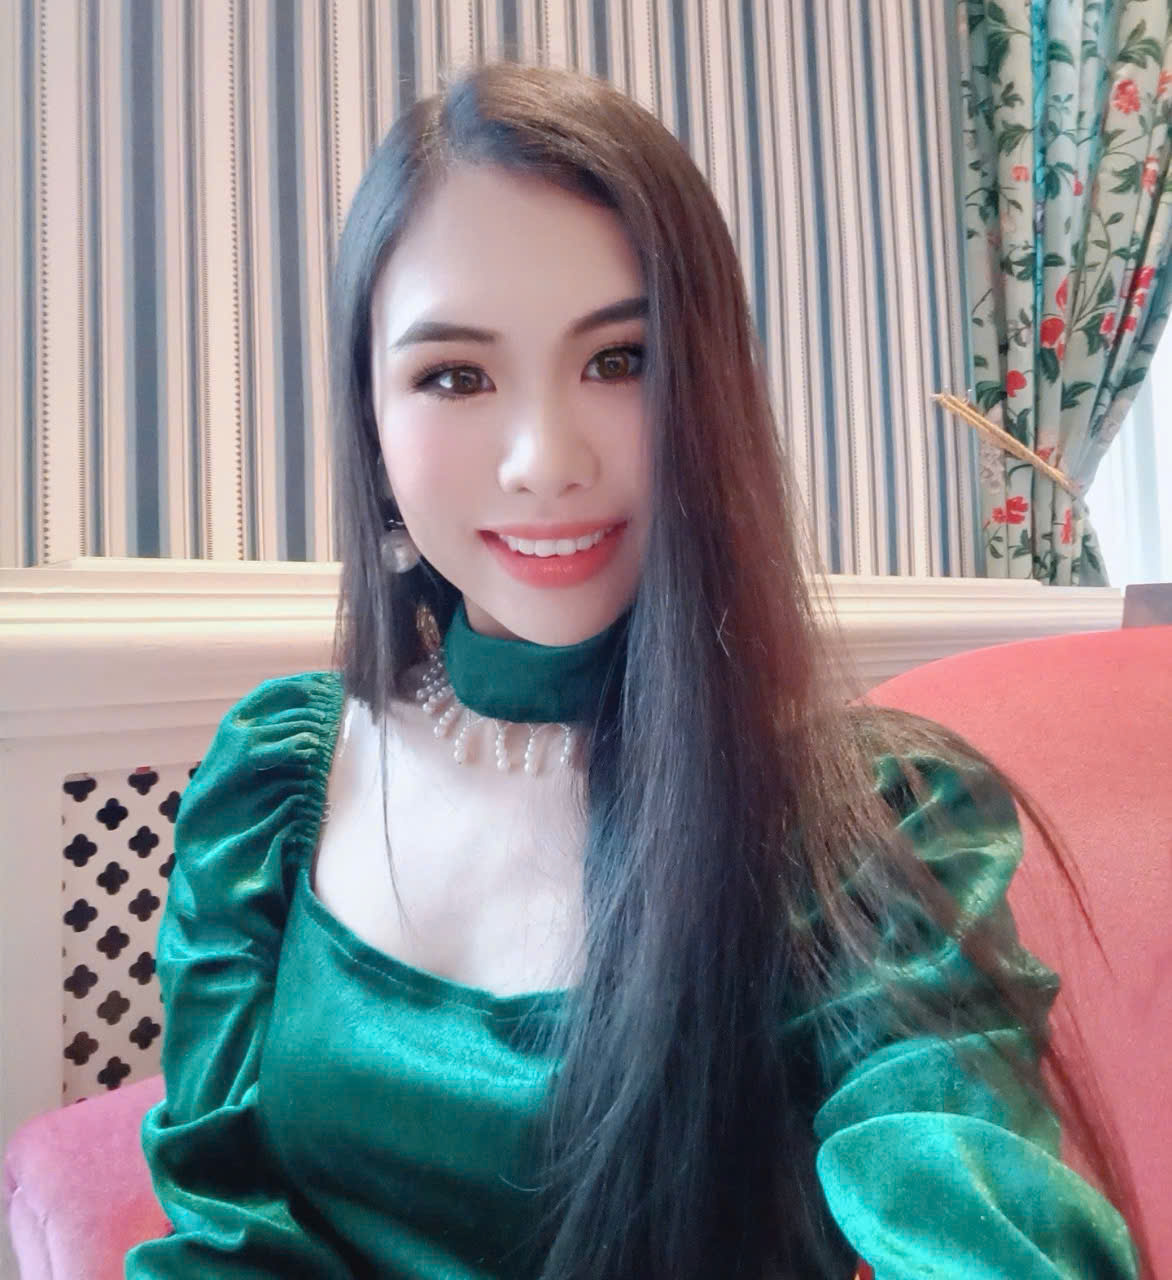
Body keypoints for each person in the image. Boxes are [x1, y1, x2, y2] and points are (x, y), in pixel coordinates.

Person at [126, 62, 1142, 1279]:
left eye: (618, 359)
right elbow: (225, 1229)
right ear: (369, 415)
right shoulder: (273, 784)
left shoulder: (862, 828)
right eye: (454, 374)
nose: (543, 459)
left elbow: (975, 1209)